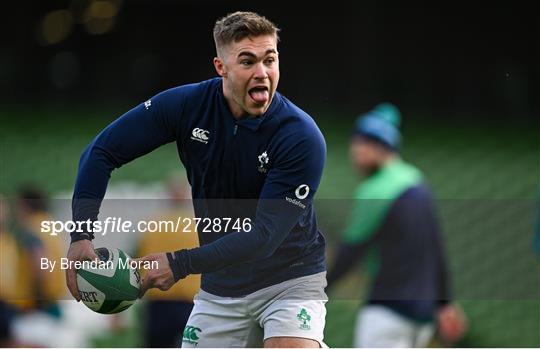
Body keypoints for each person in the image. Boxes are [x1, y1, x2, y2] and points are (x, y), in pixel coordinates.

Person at [66, 11, 327, 348]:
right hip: (221, 286)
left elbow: (264, 237)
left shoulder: (300, 136)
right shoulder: (187, 106)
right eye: (247, 62)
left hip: (289, 278)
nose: (262, 73)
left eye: (270, 60)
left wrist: (178, 263)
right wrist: (81, 235)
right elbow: (100, 152)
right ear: (221, 68)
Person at [326, 103, 467, 348]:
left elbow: (351, 252)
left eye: (362, 144)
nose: (355, 152)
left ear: (381, 146)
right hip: (422, 319)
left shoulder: (374, 191)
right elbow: (436, 250)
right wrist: (445, 303)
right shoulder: (418, 182)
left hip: (387, 314)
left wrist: (316, 293)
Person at [136, 172, 200, 347]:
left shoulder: (152, 224)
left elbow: (134, 262)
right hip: (189, 303)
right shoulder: (197, 225)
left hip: (159, 302)